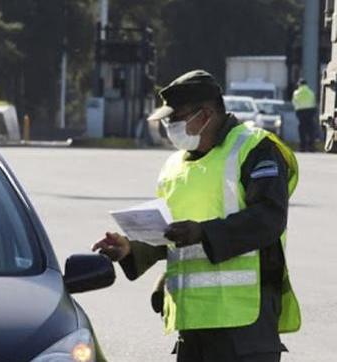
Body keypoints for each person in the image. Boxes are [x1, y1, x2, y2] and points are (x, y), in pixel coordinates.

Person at [92, 70, 301, 362]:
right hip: (192, 326)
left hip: (243, 326)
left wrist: (203, 233)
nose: (170, 126)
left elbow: (267, 218)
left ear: (204, 115)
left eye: (176, 118)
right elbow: (173, 233)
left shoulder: (254, 148)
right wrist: (132, 248)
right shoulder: (174, 167)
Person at [292, 78, 317, 152]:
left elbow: (294, 102)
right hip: (310, 112)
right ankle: (311, 146)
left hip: (300, 112)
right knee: (310, 129)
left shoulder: (296, 93)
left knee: (302, 130)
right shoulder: (311, 92)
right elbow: (314, 102)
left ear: (299, 84)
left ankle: (302, 147)